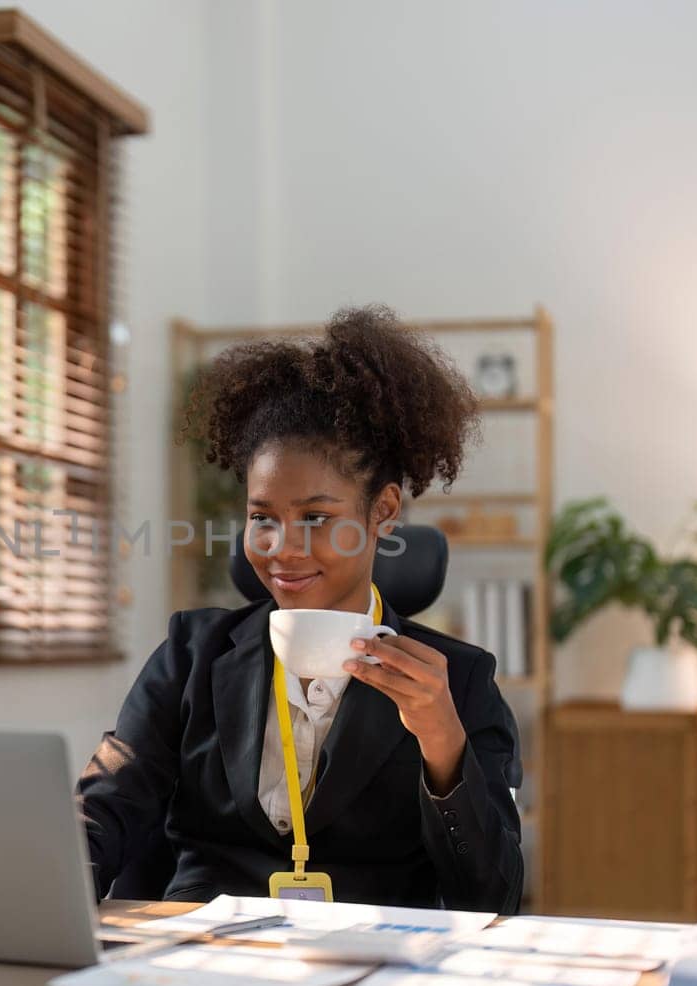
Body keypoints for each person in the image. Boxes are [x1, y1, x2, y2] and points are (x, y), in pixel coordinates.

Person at [76, 305, 524, 912]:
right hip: (203, 963)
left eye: (316, 517)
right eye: (262, 518)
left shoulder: (458, 681)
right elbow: (105, 807)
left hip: (370, 969)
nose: (282, 549)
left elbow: (492, 895)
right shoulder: (192, 655)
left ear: (383, 511)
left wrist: (443, 742)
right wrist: (43, 885)